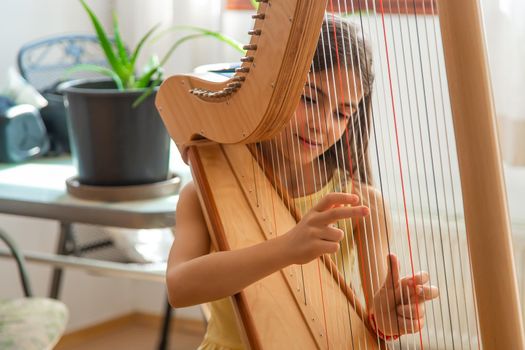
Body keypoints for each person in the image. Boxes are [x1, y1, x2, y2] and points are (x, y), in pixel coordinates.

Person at [166, 15, 439, 349]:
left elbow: (377, 318)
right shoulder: (202, 193)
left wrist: (389, 317)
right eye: (310, 99)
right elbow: (179, 288)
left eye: (342, 113)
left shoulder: (362, 205)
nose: (322, 125)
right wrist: (286, 248)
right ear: (271, 94)